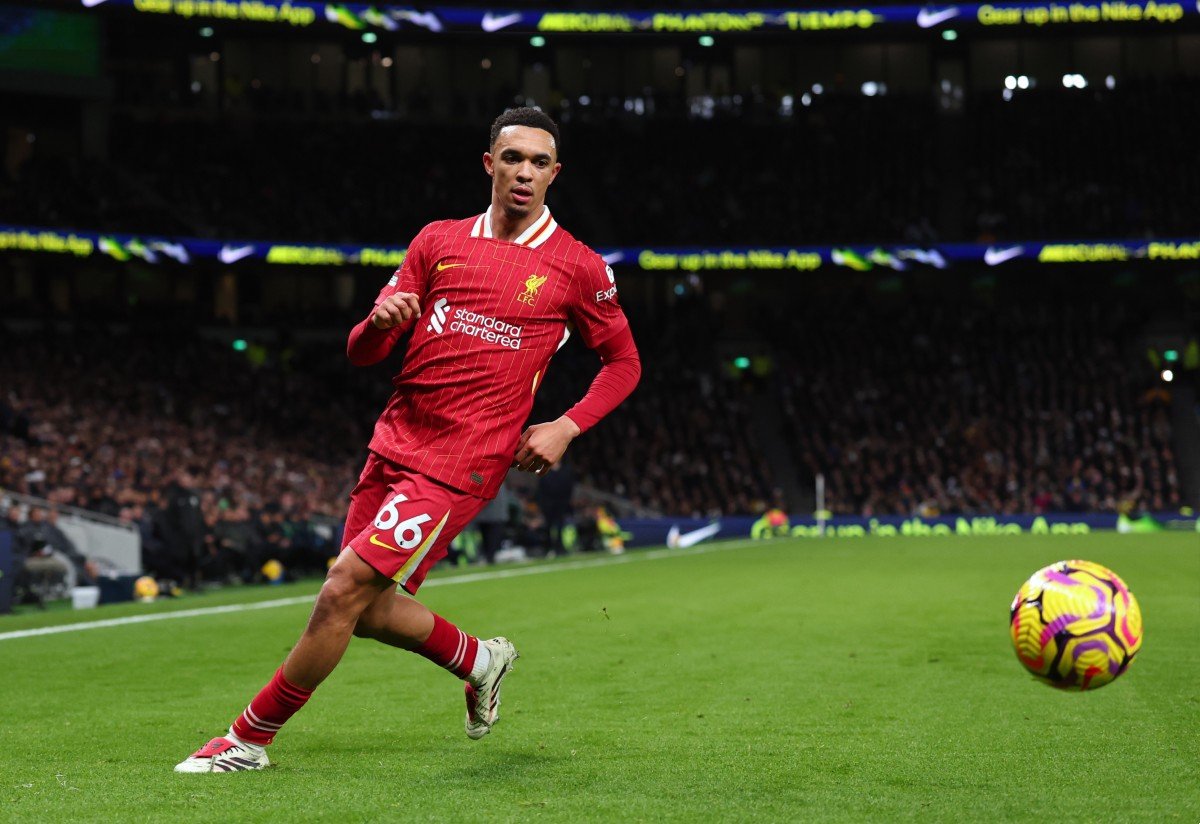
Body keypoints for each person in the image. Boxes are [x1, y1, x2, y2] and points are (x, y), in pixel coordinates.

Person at [176, 107, 641, 773]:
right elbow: (361, 352)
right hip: (392, 444)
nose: (525, 173)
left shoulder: (577, 267)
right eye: (514, 158)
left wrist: (567, 425)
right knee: (365, 611)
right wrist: (378, 322)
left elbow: (624, 364)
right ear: (490, 164)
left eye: (540, 163)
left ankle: (248, 739)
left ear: (555, 175)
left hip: (462, 463)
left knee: (339, 592)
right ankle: (482, 659)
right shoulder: (437, 241)